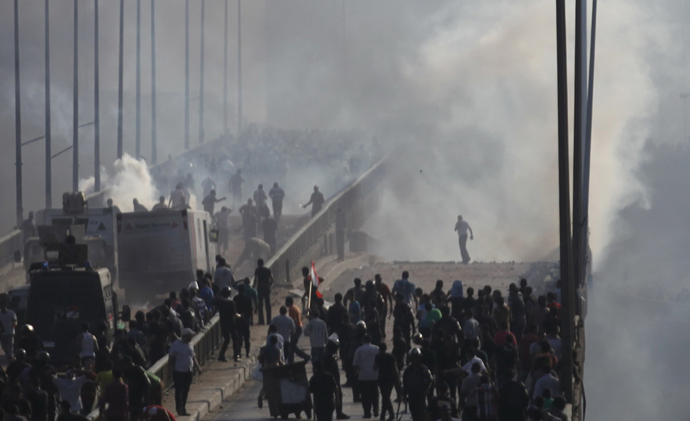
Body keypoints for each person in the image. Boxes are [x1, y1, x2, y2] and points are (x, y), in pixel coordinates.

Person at [168, 329, 202, 416]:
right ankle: (179, 408)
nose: (191, 337)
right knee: (179, 390)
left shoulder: (190, 345)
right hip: (179, 371)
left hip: (188, 371)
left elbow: (193, 357)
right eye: (190, 336)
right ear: (185, 336)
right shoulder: (176, 345)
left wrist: (198, 367)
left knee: (186, 391)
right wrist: (169, 371)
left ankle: (183, 408)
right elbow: (171, 358)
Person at [352, 335, 379, 419]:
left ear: (363, 340)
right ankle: (376, 410)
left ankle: (367, 413)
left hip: (363, 376)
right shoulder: (376, 348)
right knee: (375, 394)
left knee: (365, 396)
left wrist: (355, 375)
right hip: (374, 376)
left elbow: (355, 364)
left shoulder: (359, 349)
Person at [402, 348, 432, 421]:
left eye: (417, 358)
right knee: (414, 413)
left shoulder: (424, 369)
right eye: (414, 358)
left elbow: (430, 379)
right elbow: (405, 383)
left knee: (422, 413)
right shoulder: (408, 370)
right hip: (411, 395)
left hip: (421, 395)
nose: (416, 360)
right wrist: (404, 394)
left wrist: (427, 390)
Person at [213, 287, 240, 362]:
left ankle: (221, 355)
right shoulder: (231, 302)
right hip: (231, 322)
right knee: (235, 338)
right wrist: (240, 316)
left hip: (223, 322)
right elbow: (234, 313)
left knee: (227, 339)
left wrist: (219, 293)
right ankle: (236, 355)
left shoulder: (220, 302)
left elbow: (213, 301)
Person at [374, 343, 399, 421]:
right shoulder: (391, 357)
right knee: (386, 397)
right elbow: (395, 368)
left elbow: (375, 367)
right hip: (390, 379)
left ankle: (387, 414)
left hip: (382, 379)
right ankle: (386, 415)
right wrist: (397, 379)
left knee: (385, 397)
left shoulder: (378, 356)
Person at [253, 259, 274, 325]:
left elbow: (255, 279)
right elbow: (272, 279)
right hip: (267, 288)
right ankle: (269, 320)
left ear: (258, 264)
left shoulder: (257, 270)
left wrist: (253, 287)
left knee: (260, 305)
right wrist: (269, 284)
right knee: (268, 304)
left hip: (260, 288)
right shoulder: (267, 270)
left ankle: (261, 321)